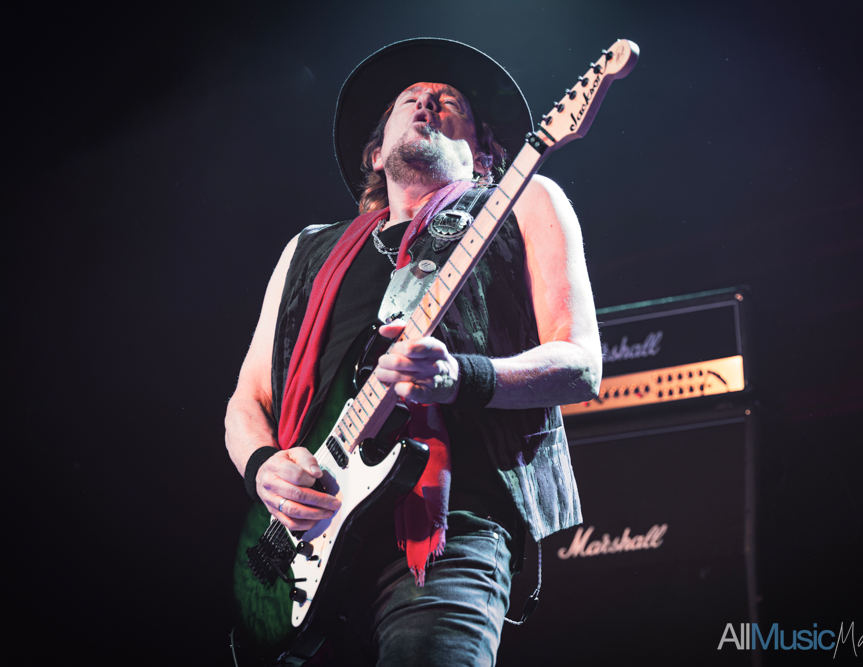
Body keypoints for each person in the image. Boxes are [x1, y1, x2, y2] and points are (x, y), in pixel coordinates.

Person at [225, 38, 602, 666]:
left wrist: (460, 376)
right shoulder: (308, 250)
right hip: (305, 542)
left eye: (450, 103)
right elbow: (248, 399)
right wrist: (264, 466)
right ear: (376, 153)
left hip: (449, 530)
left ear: (486, 154)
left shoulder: (527, 201)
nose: (428, 102)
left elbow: (581, 363)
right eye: (410, 100)